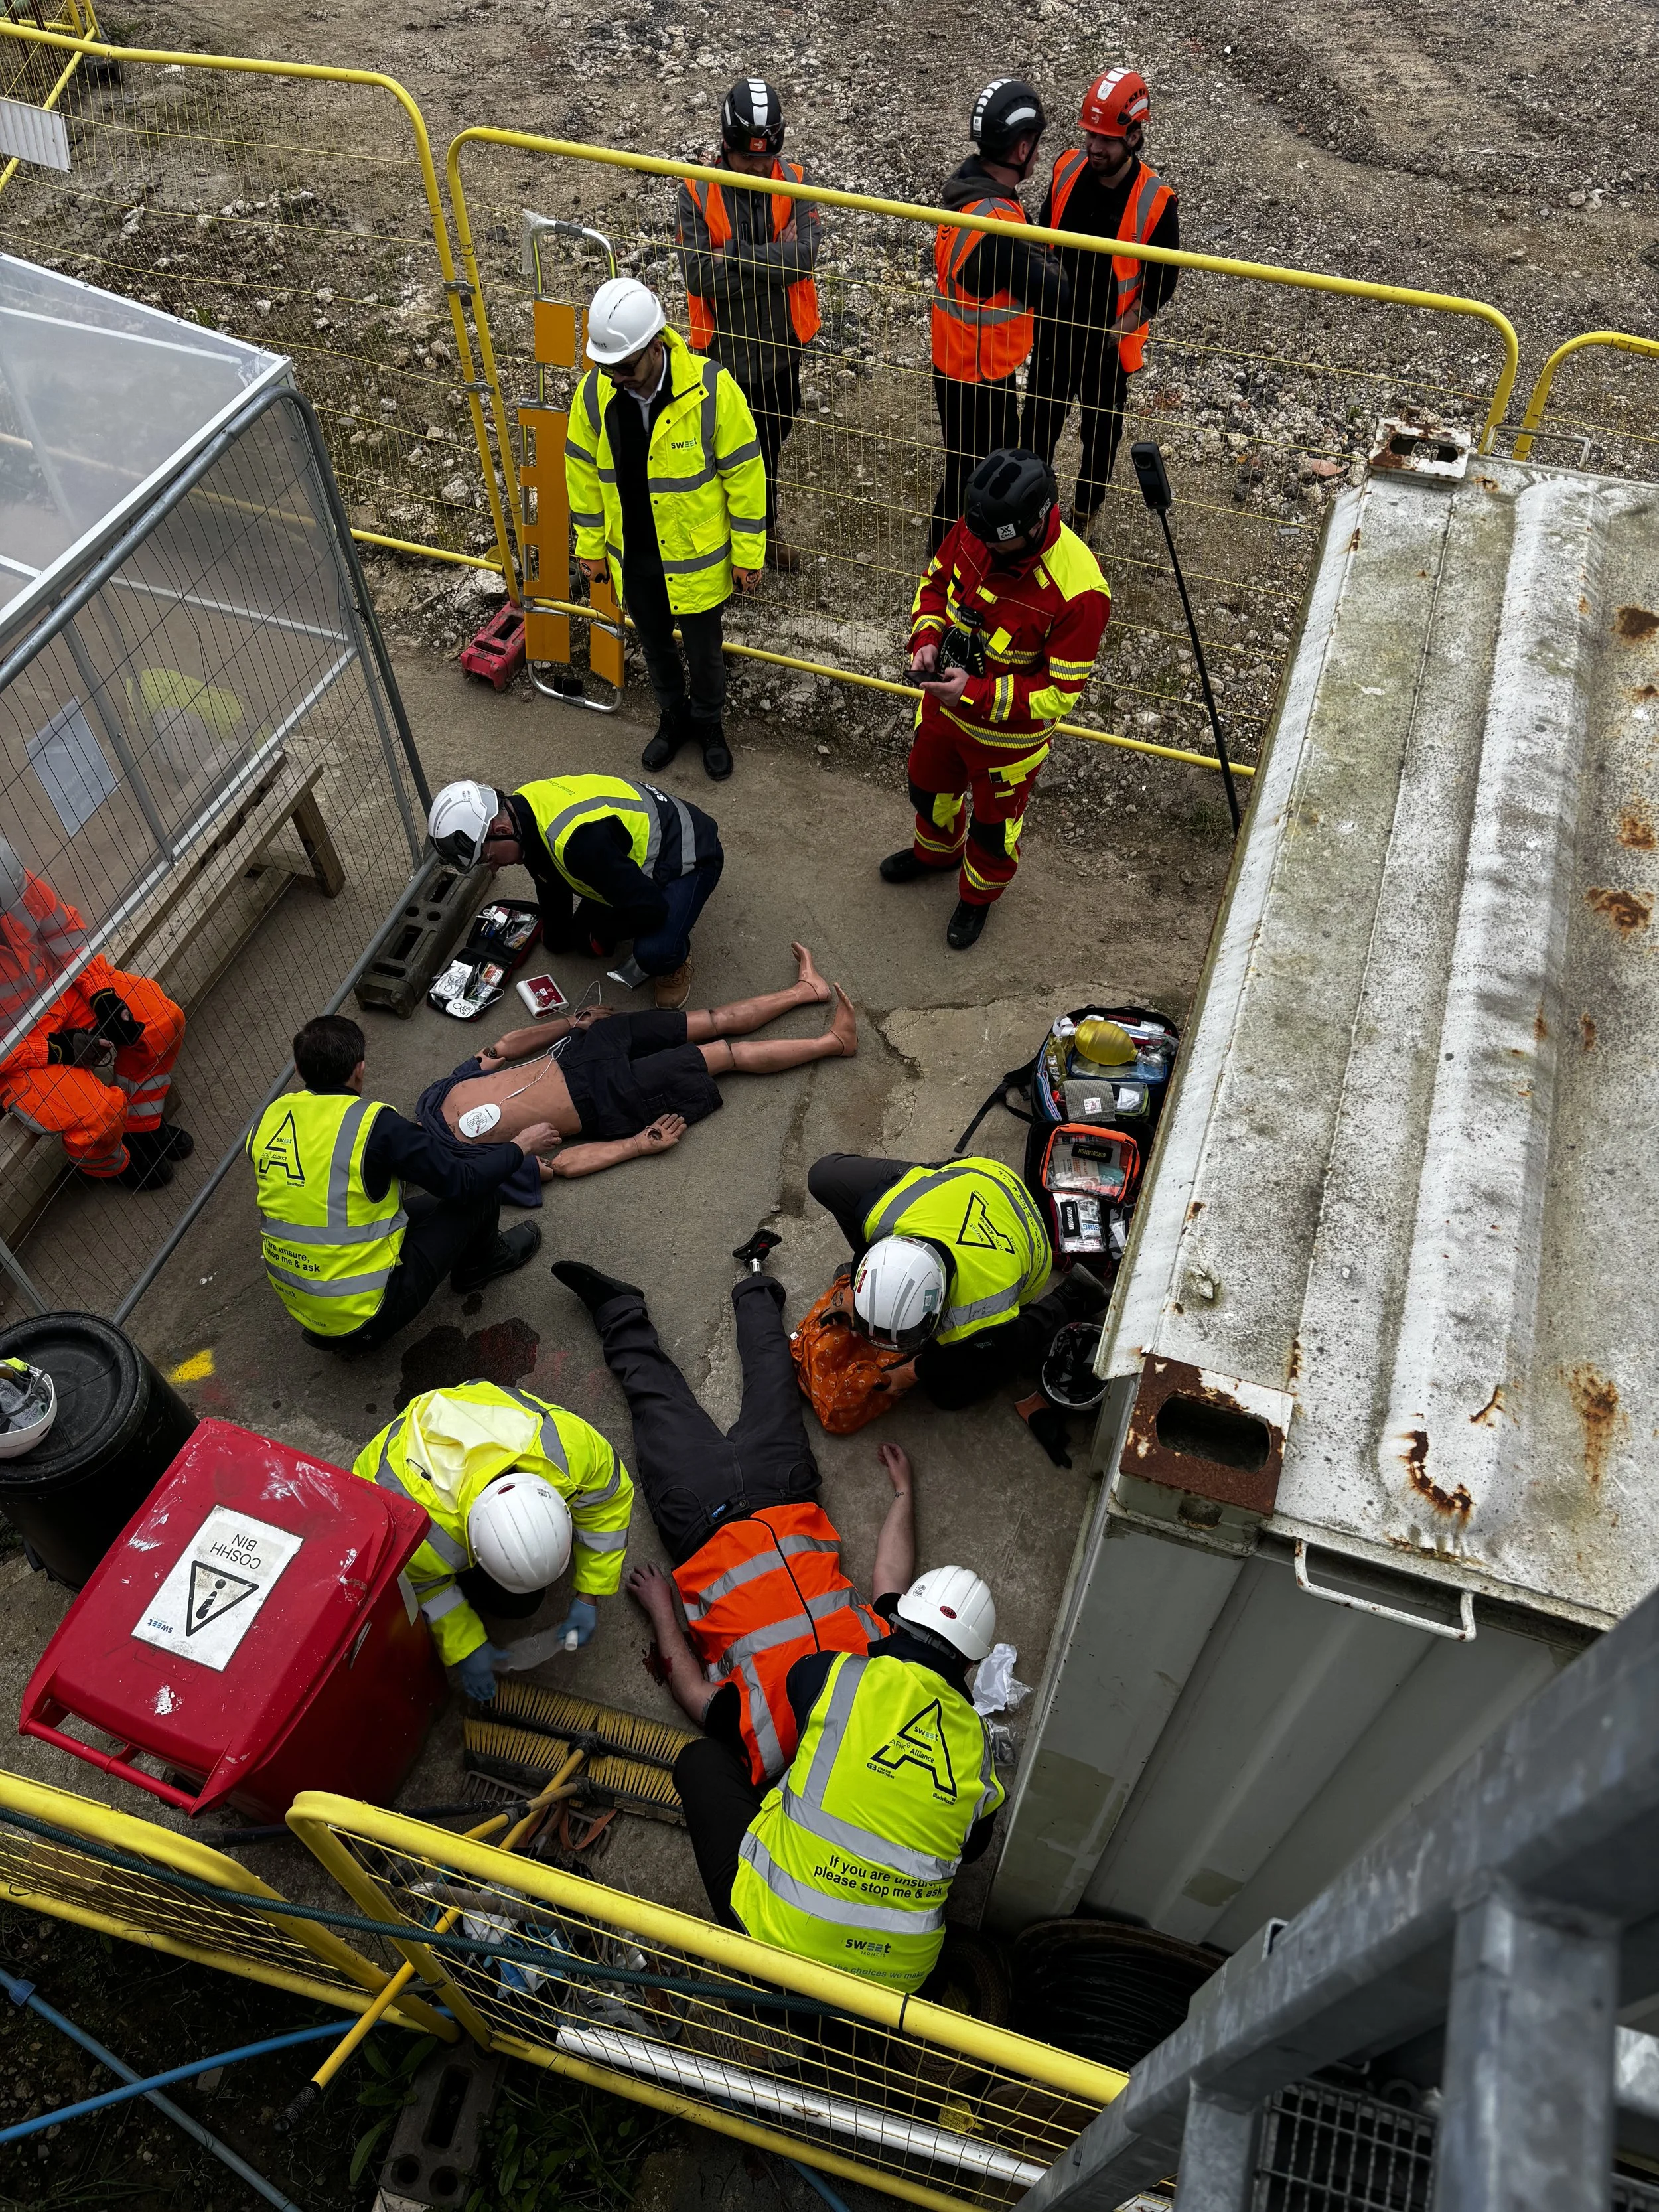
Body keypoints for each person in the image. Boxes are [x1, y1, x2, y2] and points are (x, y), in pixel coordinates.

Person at [551, 1230, 898, 1787]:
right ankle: (756, 1279)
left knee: (654, 1398)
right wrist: (902, 1497)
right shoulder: (891, 1681)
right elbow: (889, 1586)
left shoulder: (767, 1743)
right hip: (786, 1492)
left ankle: (616, 1307)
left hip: (702, 1518)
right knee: (774, 1377)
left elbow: (693, 1692)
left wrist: (662, 1609)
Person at [676, 1553, 1006, 1993]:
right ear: (969, 1664)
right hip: (895, 1985)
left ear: (899, 1623)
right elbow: (973, 1848)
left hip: (774, 1943)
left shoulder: (832, 1673)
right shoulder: (981, 1747)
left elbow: (795, 1694)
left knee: (700, 1760)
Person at [882, 448, 1111, 948]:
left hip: (1007, 746)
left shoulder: (1081, 592)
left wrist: (976, 692)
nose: (980, 547)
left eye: (995, 545)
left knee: (993, 831)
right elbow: (936, 584)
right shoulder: (980, 526)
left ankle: (977, 897)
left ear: (1034, 526)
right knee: (927, 788)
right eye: (976, 535)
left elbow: (1058, 695)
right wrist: (925, 640)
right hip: (944, 712)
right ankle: (936, 854)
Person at [248, 1013, 551, 1354]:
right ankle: (481, 1265)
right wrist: (521, 1146)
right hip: (367, 1317)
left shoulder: (272, 1117)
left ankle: (331, 1322)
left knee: (394, 1206)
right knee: (481, 1193)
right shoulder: (377, 1125)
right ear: (360, 1068)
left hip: (302, 1305)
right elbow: (463, 1182)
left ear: (299, 1070)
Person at [565, 276, 768, 784]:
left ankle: (709, 724)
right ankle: (672, 718)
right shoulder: (597, 393)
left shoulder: (712, 389)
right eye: (607, 369)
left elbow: (745, 473)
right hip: (633, 555)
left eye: (625, 368)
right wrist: (590, 548)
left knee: (705, 653)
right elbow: (583, 477)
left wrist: (749, 553)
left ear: (655, 346)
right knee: (654, 645)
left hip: (694, 558)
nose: (617, 379)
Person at [433, 942, 857, 1179]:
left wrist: (569, 1022)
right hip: (607, 1099)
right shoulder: (461, 1166)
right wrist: (635, 1145)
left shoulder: (434, 1099)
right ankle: (834, 1042)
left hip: (580, 1051)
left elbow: (502, 1049)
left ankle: (808, 991)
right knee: (724, 1054)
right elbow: (555, 1168)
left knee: (708, 1020)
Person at [353, 1381, 633, 1702]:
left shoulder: (570, 1452)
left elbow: (609, 1501)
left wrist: (591, 1592)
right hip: (395, 1474)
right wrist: (465, 1645)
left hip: (468, 1411)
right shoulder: (419, 1535)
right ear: (474, 1552)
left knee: (525, 1594)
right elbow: (425, 1586)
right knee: (518, 1604)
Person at [806, 1147, 1104, 1418]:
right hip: (974, 1177)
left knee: (949, 1393)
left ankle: (1070, 1297)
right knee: (824, 1177)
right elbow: (868, 1249)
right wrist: (858, 1288)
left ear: (939, 1308)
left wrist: (910, 1372)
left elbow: (1007, 1344)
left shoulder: (979, 1313)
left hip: (1030, 1238)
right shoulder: (882, 1214)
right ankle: (939, 1176)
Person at [1021, 69, 1180, 532]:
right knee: (1037, 430)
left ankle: (1083, 519)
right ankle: (1033, 513)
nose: (1094, 147)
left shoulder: (1157, 202)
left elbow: (1161, 286)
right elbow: (1042, 240)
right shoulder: (1067, 168)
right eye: (1091, 135)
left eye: (1107, 139)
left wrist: (1114, 334)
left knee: (1101, 437)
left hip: (1108, 348)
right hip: (1054, 333)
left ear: (1135, 136)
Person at [678, 76, 822, 571]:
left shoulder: (795, 181)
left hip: (783, 350)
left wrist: (735, 257)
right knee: (728, 452)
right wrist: (771, 268)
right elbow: (699, 275)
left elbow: (804, 258)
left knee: (771, 441)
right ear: (726, 147)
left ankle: (761, 526)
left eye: (767, 157)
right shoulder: (696, 191)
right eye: (749, 158)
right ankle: (733, 539)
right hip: (726, 355)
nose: (761, 167)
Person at [425, 774, 723, 1012]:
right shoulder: (522, 809)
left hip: (690, 850)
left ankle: (677, 954)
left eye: (488, 859)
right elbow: (548, 878)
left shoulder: (579, 846)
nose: (492, 869)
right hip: (629, 846)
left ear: (502, 831)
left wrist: (605, 935)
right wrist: (556, 936)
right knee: (578, 942)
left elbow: (650, 907)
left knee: (653, 952)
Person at [0, 835, 192, 1191]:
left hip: (63, 996)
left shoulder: (11, 882)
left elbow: (66, 936)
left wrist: (101, 995)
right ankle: (112, 1165)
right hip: (17, 1056)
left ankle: (141, 1127)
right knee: (97, 1118)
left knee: (161, 1022)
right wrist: (57, 1050)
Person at [929, 79, 1068, 554]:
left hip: (954, 364)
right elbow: (1056, 291)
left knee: (960, 467)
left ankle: (945, 551)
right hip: (980, 374)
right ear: (1023, 147)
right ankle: (952, 558)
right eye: (1036, 147)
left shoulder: (967, 194)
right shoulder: (1000, 227)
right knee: (975, 478)